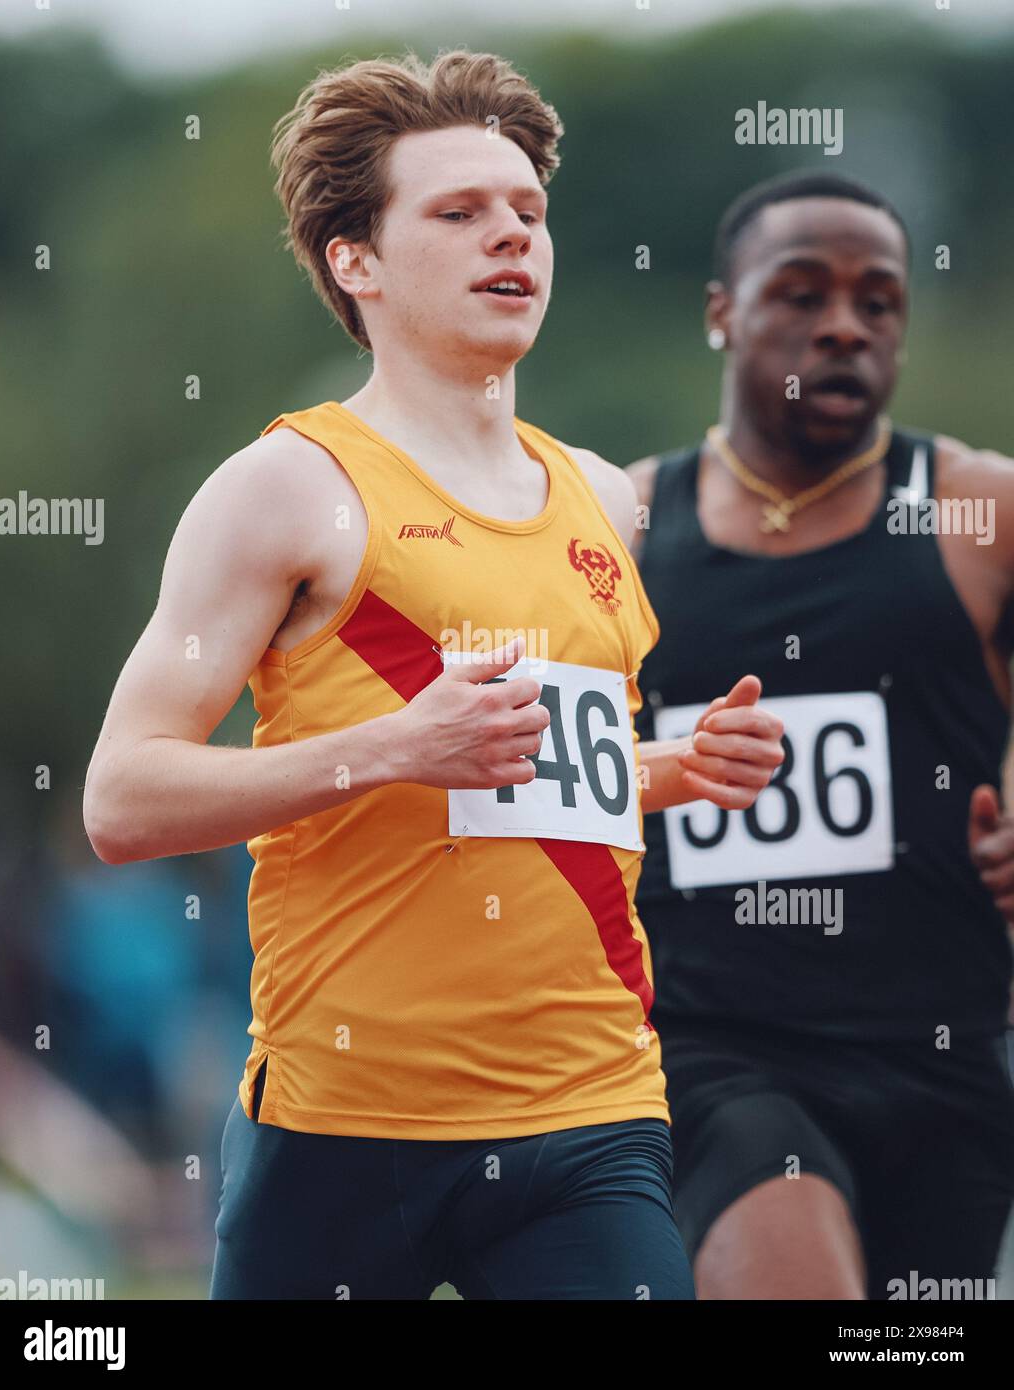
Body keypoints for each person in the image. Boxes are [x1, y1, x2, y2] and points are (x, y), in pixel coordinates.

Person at [83, 50, 784, 1300]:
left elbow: (520, 779)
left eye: (526, 211)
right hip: (345, 1123)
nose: (508, 234)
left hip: (590, 1106)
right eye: (456, 213)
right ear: (355, 262)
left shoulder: (601, 496)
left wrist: (669, 772)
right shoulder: (285, 491)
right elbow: (122, 801)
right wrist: (394, 747)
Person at [627, 171, 1014, 1301]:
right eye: (800, 294)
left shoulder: (974, 514)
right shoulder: (625, 528)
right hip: (711, 1045)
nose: (842, 324)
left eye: (877, 301)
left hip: (940, 1050)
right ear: (719, 312)